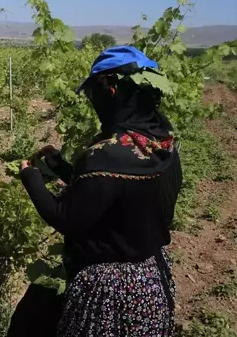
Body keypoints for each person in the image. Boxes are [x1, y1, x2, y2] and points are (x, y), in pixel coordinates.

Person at [17, 46, 182, 336]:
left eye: (95, 91)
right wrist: (63, 168)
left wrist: (30, 176)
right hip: (149, 280)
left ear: (113, 90)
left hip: (110, 295)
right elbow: (115, 194)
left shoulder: (106, 155)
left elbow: (65, 216)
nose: (93, 100)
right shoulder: (162, 143)